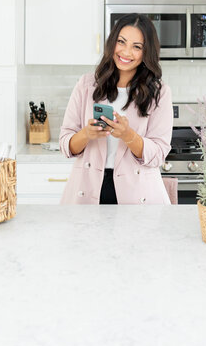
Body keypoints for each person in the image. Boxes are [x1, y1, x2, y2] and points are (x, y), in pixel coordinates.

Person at [59, 13, 173, 205]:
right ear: (112, 43)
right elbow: (65, 144)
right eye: (121, 42)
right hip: (87, 188)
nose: (126, 52)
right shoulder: (86, 85)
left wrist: (128, 135)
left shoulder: (159, 93)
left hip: (137, 194)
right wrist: (87, 133)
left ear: (147, 53)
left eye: (137, 47)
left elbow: (159, 153)